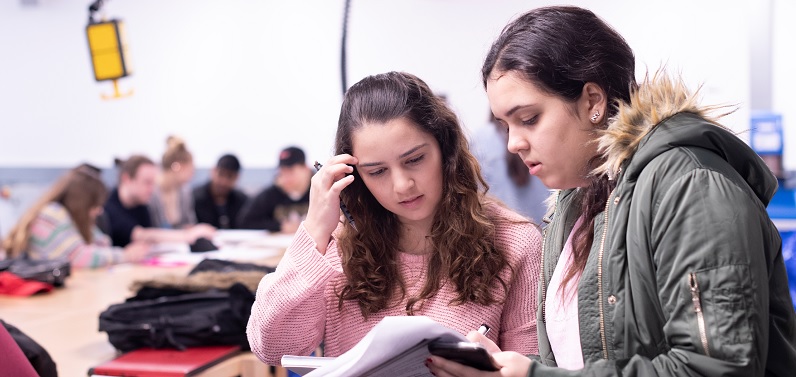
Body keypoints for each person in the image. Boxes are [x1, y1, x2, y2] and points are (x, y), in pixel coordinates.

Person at [427, 6, 796, 377]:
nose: (513, 144)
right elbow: (586, 361)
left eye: (528, 119)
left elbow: (715, 367)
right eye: (505, 125)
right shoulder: (574, 206)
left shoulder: (691, 187)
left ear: (592, 102)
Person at [246, 72, 542, 365]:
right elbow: (271, 348)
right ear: (355, 176)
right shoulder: (337, 248)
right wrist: (314, 233)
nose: (402, 185)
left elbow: (529, 365)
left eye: (414, 160)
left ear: (445, 149)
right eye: (377, 171)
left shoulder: (514, 242)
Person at [2, 164, 149, 268]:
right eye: (95, 206)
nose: (99, 212)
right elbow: (79, 257)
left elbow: (103, 244)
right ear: (83, 203)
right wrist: (125, 255)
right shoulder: (52, 214)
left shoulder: (70, 218)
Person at [103, 155, 215, 248]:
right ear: (126, 178)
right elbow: (141, 234)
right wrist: (188, 235)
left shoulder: (142, 206)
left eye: (153, 183)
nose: (152, 189)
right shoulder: (108, 206)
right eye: (147, 182)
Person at [471, 113, 549, 222]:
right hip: (549, 228)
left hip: (506, 230)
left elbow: (479, 198)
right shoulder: (539, 131)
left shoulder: (482, 138)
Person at [238, 146, 312, 233]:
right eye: (283, 172)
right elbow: (244, 221)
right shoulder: (270, 194)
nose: (286, 178)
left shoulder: (319, 191)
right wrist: (279, 226)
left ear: (305, 169)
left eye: (291, 171)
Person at [150, 136, 197, 229]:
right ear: (177, 167)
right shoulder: (150, 190)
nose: (192, 176)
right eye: (190, 171)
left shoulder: (185, 192)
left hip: (179, 242)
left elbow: (190, 223)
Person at [193, 154, 249, 229]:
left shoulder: (243, 201)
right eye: (221, 174)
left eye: (229, 176)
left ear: (237, 178)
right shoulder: (194, 198)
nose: (224, 182)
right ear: (213, 171)